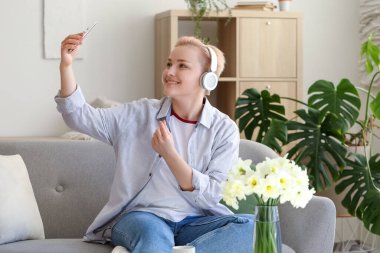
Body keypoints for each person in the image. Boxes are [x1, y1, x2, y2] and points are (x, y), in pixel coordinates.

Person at [56, 32, 254, 253]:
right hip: (143, 218)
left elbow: (212, 195)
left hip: (194, 223)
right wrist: (66, 66)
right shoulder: (138, 114)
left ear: (207, 78)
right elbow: (79, 116)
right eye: (169, 64)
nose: (169, 72)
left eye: (182, 66)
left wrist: (170, 155)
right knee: (153, 235)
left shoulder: (223, 129)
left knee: (250, 227)